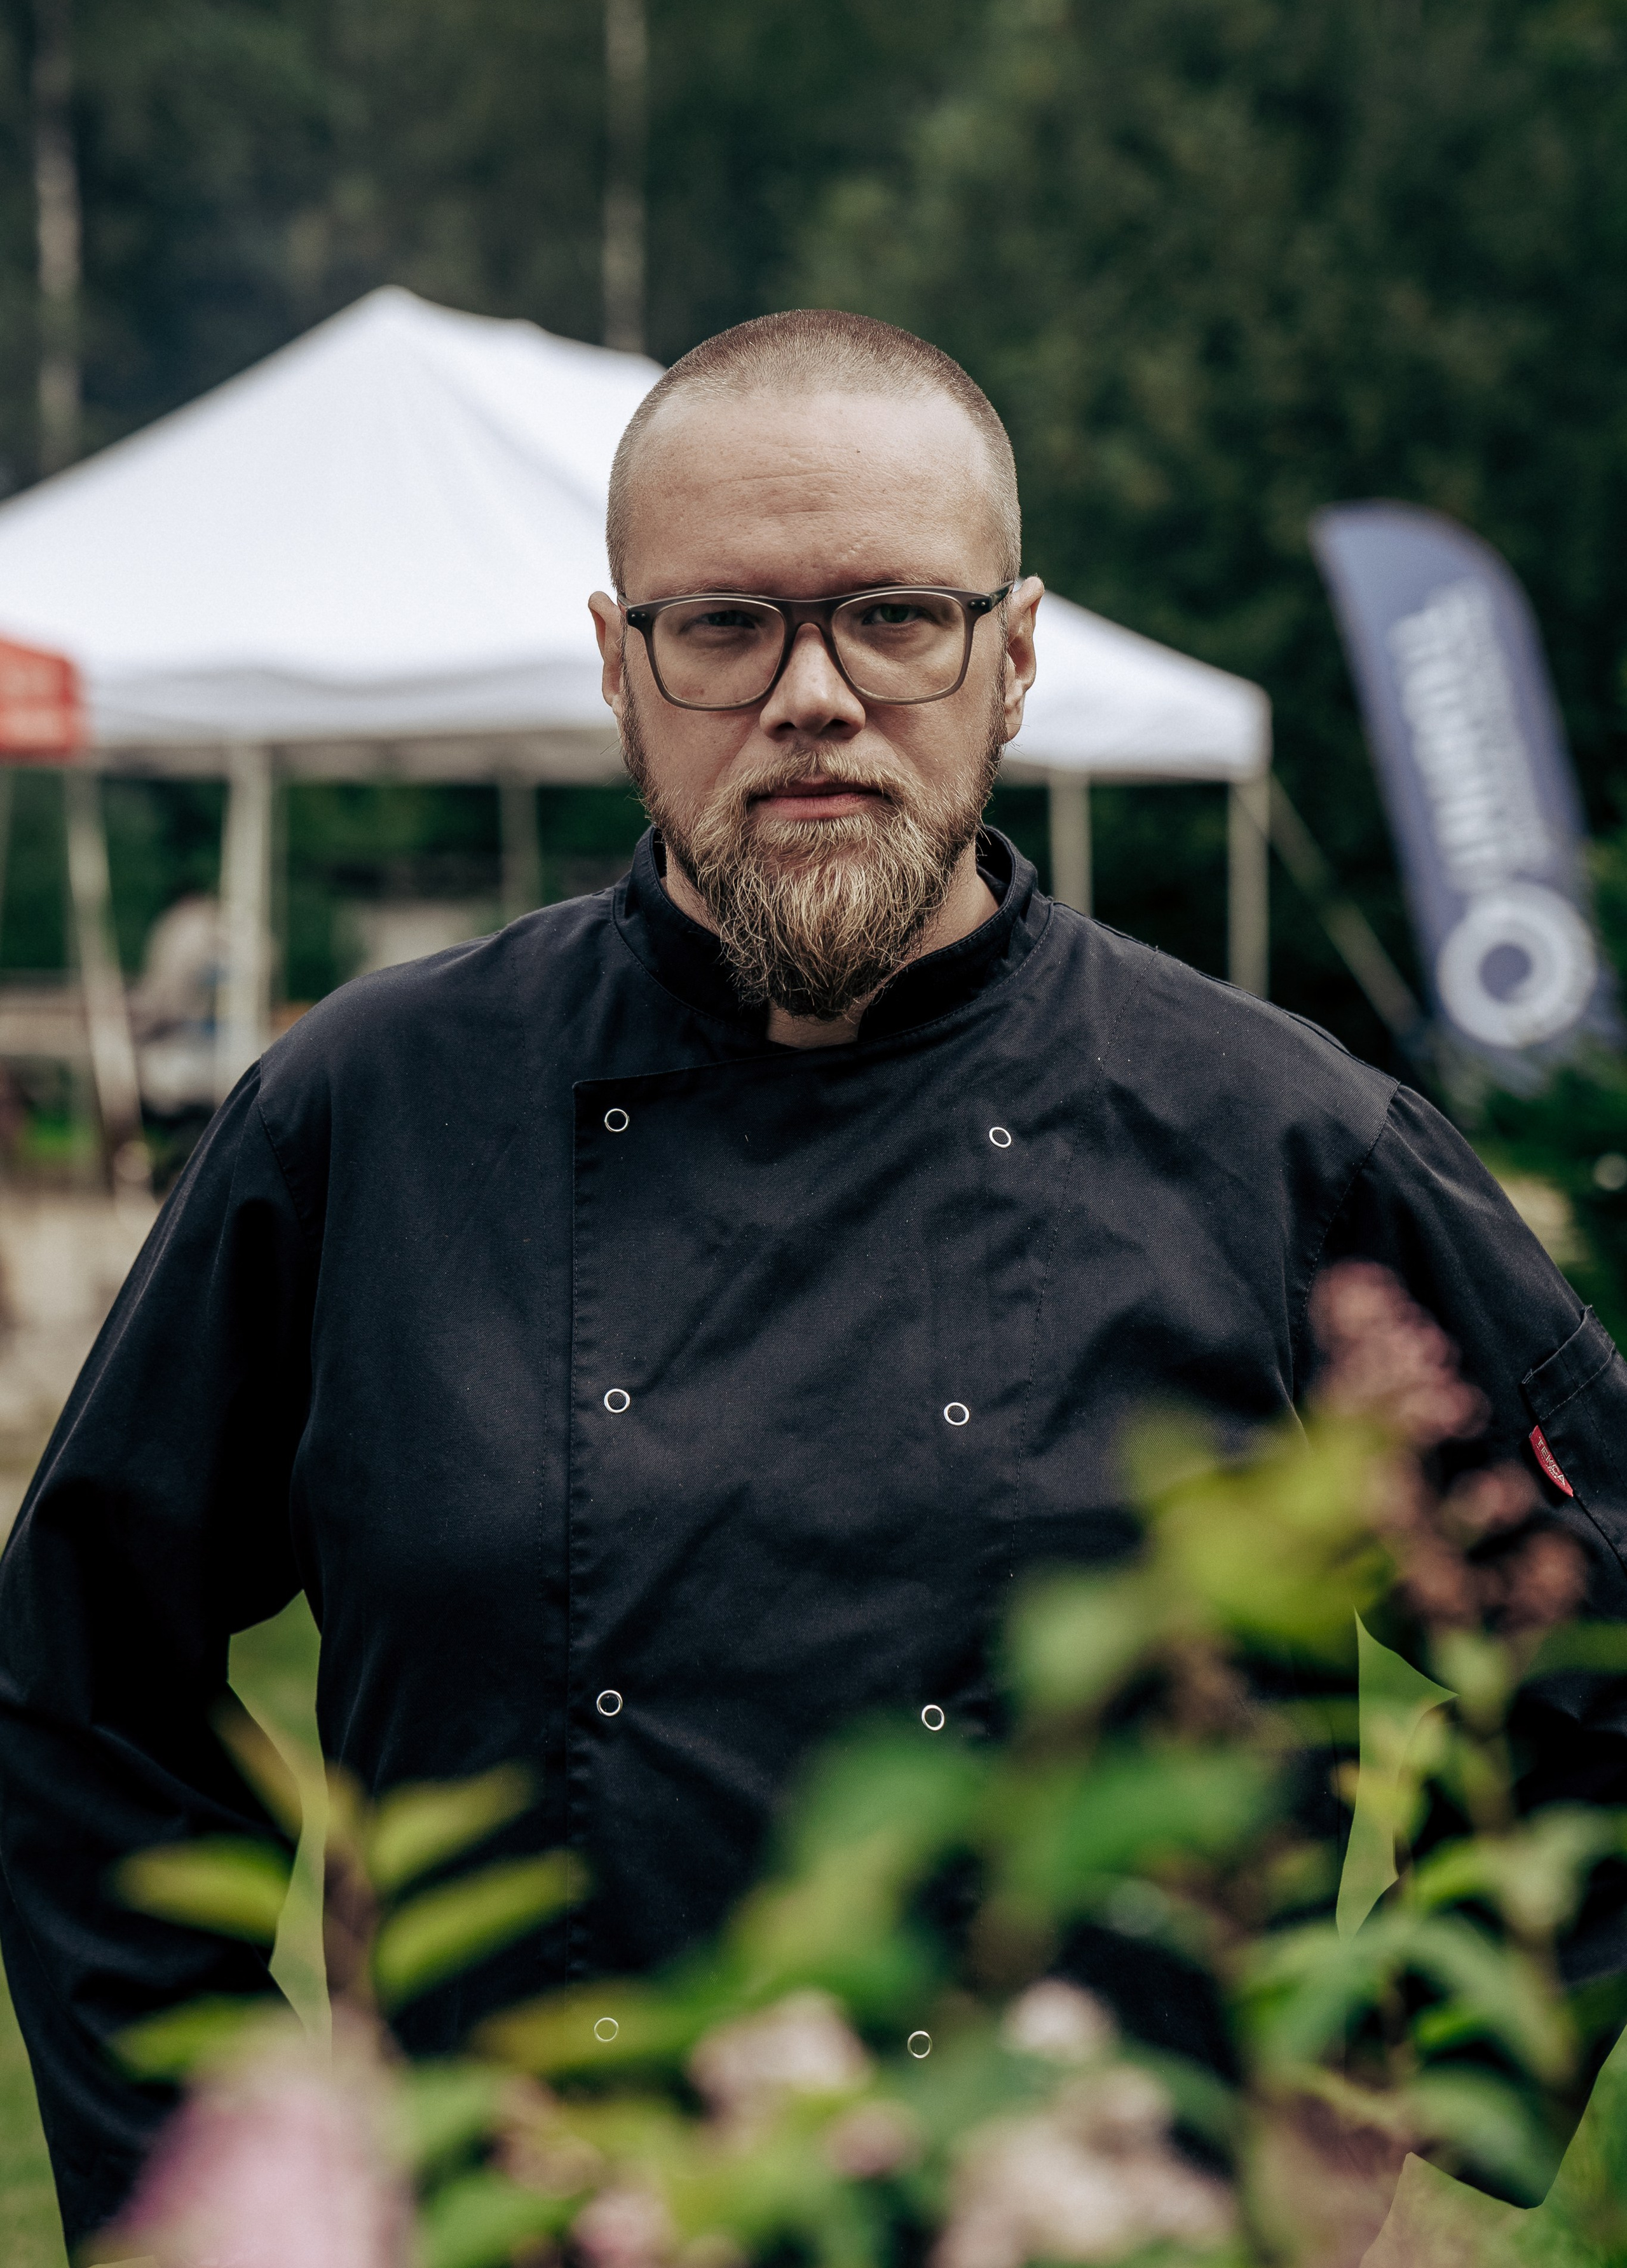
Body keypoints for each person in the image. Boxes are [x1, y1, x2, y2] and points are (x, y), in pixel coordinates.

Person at [2, 309, 1624, 2248]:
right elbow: (82, 1678)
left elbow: (1592, 1630)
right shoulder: (366, 1114)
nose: (814, 695)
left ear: (1013, 657)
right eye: (723, 626)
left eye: (895, 618)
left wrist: (1386, 2084)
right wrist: (224, 2192)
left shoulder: (1275, 1134)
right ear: (618, 666)